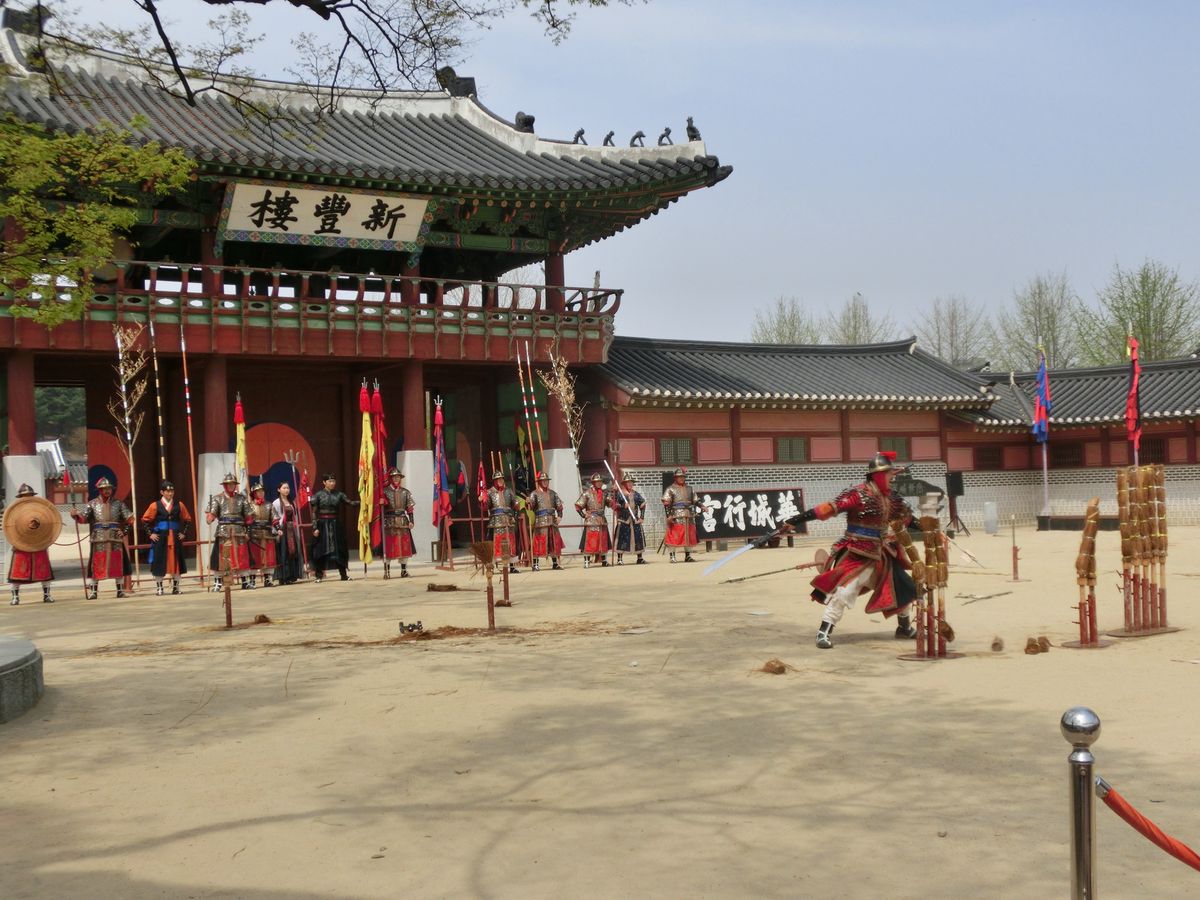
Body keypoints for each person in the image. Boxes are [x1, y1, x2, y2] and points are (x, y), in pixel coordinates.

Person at [781, 451, 919, 650]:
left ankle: (904, 628)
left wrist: (930, 528)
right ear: (879, 475)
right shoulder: (857, 494)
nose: (893, 477)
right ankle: (824, 632)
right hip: (857, 552)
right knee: (844, 592)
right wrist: (794, 521)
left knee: (903, 588)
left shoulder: (892, 498)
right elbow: (827, 509)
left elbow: (908, 519)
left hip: (883, 553)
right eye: (890, 473)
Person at [72, 476, 133, 599]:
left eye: (109, 488)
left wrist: (124, 531)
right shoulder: (92, 504)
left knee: (117, 563)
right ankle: (94, 592)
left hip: (115, 537)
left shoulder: (118, 504)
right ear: (99, 490)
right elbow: (83, 518)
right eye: (104, 489)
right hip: (99, 538)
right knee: (97, 563)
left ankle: (120, 591)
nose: (107, 491)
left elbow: (130, 519)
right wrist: (75, 515)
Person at [141, 479, 192, 596]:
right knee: (159, 561)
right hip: (161, 537)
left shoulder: (179, 504)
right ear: (162, 492)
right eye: (168, 491)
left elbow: (188, 519)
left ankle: (176, 587)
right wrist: (151, 534)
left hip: (175, 537)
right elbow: (145, 520)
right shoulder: (155, 505)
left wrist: (183, 533)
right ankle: (160, 588)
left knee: (176, 561)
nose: (170, 493)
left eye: (172, 491)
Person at [206, 472, 253, 592]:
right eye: (229, 484)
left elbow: (248, 516)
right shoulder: (217, 498)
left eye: (233, 484)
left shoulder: (241, 499)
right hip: (223, 532)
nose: (231, 486)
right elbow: (212, 513)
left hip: (239, 531)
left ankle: (245, 581)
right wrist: (210, 517)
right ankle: (218, 583)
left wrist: (248, 530)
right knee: (221, 558)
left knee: (242, 556)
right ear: (224, 485)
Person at [8, 484, 55, 604]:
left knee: (43, 571)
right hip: (21, 543)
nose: (27, 497)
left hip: (38, 542)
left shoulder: (40, 509)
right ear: (20, 497)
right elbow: (10, 525)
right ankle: (15, 597)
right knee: (18, 572)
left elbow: (47, 521)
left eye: (29, 495)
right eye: (25, 495)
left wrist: (38, 522)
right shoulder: (15, 510)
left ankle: (47, 595)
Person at [310, 473, 357, 582]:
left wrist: (364, 502)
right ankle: (319, 576)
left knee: (340, 550)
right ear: (324, 482)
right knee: (320, 550)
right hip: (322, 525)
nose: (332, 483)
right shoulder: (318, 495)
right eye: (330, 481)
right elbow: (314, 513)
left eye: (333, 481)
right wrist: (315, 527)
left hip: (336, 524)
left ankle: (343, 575)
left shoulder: (339, 494)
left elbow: (350, 503)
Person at [380, 468, 415, 578]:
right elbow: (380, 509)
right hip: (389, 522)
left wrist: (411, 521)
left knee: (405, 546)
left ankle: (404, 571)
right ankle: (387, 571)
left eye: (398, 477)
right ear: (390, 478)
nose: (396, 479)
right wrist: (381, 502)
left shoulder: (406, 492)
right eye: (394, 477)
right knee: (389, 546)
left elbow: (410, 508)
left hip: (403, 521)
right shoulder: (384, 492)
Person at [661, 468, 701, 563]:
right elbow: (666, 503)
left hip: (688, 515)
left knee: (688, 536)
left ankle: (688, 556)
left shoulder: (690, 488)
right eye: (679, 477)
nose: (681, 478)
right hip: (676, 515)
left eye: (683, 477)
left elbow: (696, 500)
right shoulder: (670, 489)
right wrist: (669, 516)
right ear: (675, 478)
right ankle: (672, 556)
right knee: (673, 536)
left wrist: (702, 506)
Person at [528, 471, 564, 571]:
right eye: (543, 481)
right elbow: (531, 507)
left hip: (552, 521)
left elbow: (559, 507)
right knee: (538, 543)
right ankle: (535, 564)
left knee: (553, 543)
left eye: (546, 480)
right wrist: (528, 502)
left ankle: (555, 563)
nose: (545, 482)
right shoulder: (534, 493)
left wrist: (560, 516)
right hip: (540, 522)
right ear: (539, 482)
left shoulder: (553, 493)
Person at [485, 471, 520, 573]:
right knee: (496, 544)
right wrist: (483, 500)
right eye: (498, 479)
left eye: (501, 479)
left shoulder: (509, 491)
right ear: (494, 481)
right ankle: (494, 566)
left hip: (508, 520)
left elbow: (515, 503)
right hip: (496, 522)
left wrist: (517, 504)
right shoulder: (490, 492)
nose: (500, 481)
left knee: (511, 544)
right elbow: (486, 506)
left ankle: (512, 566)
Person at [271, 481, 304, 585]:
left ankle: (292, 575)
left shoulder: (291, 502)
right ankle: (283, 577)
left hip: (292, 530)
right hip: (282, 530)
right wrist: (277, 529)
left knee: (293, 552)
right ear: (279, 490)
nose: (286, 490)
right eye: (284, 488)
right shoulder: (276, 503)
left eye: (288, 488)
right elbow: (274, 517)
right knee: (283, 553)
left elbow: (295, 517)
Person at [575, 473, 610, 568]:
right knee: (590, 542)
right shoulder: (587, 493)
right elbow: (578, 506)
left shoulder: (604, 493)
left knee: (603, 541)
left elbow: (610, 504)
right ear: (593, 483)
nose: (599, 483)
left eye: (600, 481)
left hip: (602, 520)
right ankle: (586, 561)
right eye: (597, 482)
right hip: (591, 521)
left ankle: (604, 560)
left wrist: (614, 493)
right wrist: (583, 515)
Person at [611, 472, 647, 565]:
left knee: (638, 538)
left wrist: (642, 517)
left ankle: (640, 558)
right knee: (622, 539)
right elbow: (614, 505)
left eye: (631, 482)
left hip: (635, 519)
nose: (630, 484)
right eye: (628, 482)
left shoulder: (636, 494)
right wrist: (623, 505)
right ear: (624, 484)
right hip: (624, 520)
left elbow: (643, 504)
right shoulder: (619, 494)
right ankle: (619, 559)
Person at [246, 482, 277, 588]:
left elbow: (274, 518)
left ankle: (268, 580)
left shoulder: (269, 505)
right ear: (254, 493)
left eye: (262, 491)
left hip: (267, 533)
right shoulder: (249, 506)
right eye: (258, 491)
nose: (261, 493)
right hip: (254, 535)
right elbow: (247, 520)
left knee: (268, 557)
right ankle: (252, 580)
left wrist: (278, 528)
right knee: (254, 558)